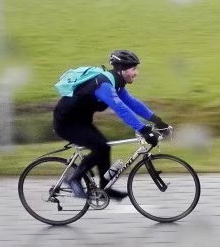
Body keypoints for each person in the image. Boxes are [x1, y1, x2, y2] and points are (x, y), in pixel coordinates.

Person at [53, 50, 168, 199]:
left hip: (80, 121)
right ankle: (74, 178)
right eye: (133, 69)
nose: (136, 73)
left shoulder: (116, 83)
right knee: (100, 146)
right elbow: (120, 108)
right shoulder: (104, 85)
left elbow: (132, 103)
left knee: (104, 147)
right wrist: (142, 128)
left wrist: (157, 120)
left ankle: (104, 188)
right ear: (121, 70)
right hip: (66, 123)